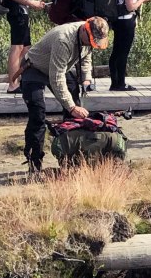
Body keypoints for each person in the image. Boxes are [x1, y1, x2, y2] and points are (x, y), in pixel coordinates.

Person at [18, 17, 110, 172]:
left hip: (59, 68)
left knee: (75, 113)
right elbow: (56, 78)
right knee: (37, 114)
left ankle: (71, 156)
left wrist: (86, 79)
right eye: (91, 41)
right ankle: (34, 162)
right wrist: (72, 107)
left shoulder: (88, 37)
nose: (92, 44)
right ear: (84, 31)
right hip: (35, 68)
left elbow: (86, 57)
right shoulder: (63, 40)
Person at [5, 0, 47, 94]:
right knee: (17, 47)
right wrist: (32, 3)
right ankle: (12, 84)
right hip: (18, 13)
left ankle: (21, 80)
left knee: (26, 47)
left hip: (22, 12)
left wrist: (33, 3)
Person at [109, 0, 151, 91]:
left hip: (118, 21)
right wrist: (142, 0)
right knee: (123, 53)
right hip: (126, 23)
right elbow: (130, 7)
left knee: (116, 52)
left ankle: (115, 83)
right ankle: (120, 84)